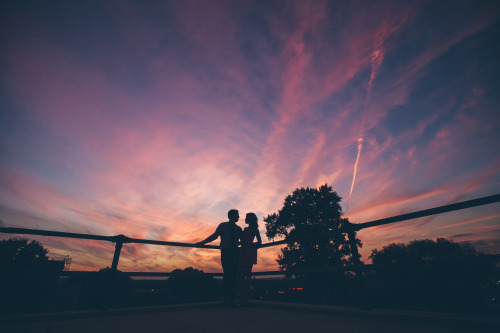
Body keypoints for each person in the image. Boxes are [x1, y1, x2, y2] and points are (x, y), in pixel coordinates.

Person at [196, 209, 242, 305]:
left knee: (234, 275)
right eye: (237, 215)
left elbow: (242, 241)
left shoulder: (239, 229)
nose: (238, 217)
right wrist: (202, 242)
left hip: (235, 253)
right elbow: (215, 236)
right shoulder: (223, 226)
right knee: (228, 274)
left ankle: (231, 299)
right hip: (226, 252)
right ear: (231, 216)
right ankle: (226, 298)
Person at [238, 212, 262, 305]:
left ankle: (245, 298)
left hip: (249, 251)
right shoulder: (245, 229)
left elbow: (259, 242)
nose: (245, 219)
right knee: (240, 275)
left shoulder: (255, 229)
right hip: (242, 251)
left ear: (250, 219)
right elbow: (241, 240)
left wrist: (251, 245)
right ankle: (241, 297)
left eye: (246, 217)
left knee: (247, 274)